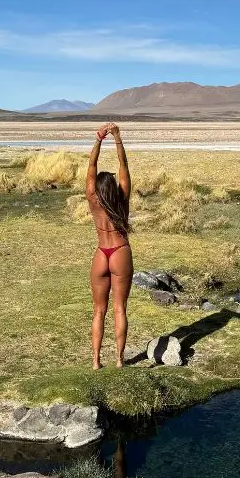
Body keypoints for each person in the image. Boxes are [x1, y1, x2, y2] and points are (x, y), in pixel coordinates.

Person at [86, 122, 133, 369]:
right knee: (119, 309)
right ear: (113, 187)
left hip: (101, 253)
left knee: (98, 311)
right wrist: (117, 138)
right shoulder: (122, 199)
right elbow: (123, 167)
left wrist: (98, 139)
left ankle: (95, 362)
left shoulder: (93, 200)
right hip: (120, 252)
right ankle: (118, 360)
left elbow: (91, 167)